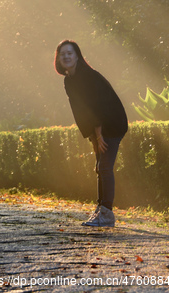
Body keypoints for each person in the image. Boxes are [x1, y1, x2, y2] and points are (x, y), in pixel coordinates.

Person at [54, 40, 128, 227]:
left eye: (70, 53)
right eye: (63, 54)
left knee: (104, 167)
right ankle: (100, 209)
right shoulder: (69, 79)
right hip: (100, 125)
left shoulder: (87, 76)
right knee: (99, 167)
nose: (66, 56)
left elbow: (97, 105)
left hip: (112, 122)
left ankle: (107, 213)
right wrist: (91, 135)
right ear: (58, 59)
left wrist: (99, 133)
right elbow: (79, 110)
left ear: (77, 55)